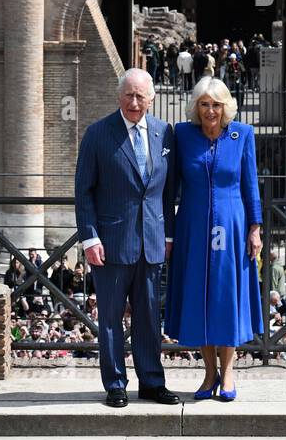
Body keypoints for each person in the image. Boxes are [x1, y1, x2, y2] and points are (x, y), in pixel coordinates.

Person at [73, 68, 180, 409]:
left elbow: (167, 192)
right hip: (111, 244)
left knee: (150, 318)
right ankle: (116, 384)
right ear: (118, 96)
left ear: (152, 98)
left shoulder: (166, 134)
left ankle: (151, 382)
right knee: (110, 319)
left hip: (151, 244)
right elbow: (83, 191)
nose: (135, 102)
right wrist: (89, 238)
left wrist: (168, 234)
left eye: (141, 96)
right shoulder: (97, 133)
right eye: (129, 95)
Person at [164, 78, 263, 401]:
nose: (210, 110)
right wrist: (167, 230)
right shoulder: (183, 134)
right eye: (205, 104)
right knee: (199, 294)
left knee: (225, 295)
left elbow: (251, 185)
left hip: (232, 224)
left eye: (216, 104)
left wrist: (255, 227)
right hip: (193, 223)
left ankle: (229, 372)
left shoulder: (242, 135)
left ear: (226, 106)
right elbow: (170, 186)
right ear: (196, 107)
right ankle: (209, 373)